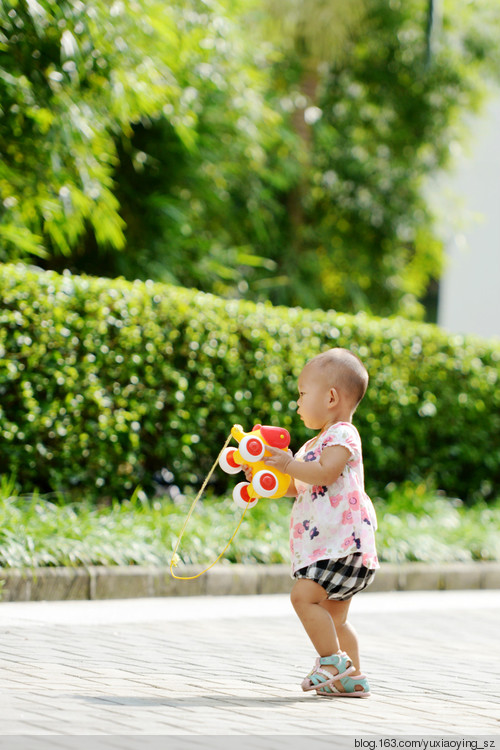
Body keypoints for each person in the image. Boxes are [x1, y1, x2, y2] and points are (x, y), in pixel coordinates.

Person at [260, 347, 379, 697]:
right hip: (334, 545)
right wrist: (265, 477)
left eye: (301, 394)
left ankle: (332, 662)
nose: (296, 403)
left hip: (343, 545)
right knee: (335, 618)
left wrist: (286, 463)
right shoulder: (314, 444)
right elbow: (299, 485)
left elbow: (324, 474)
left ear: (330, 398)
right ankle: (352, 678)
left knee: (303, 597)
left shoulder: (342, 435)